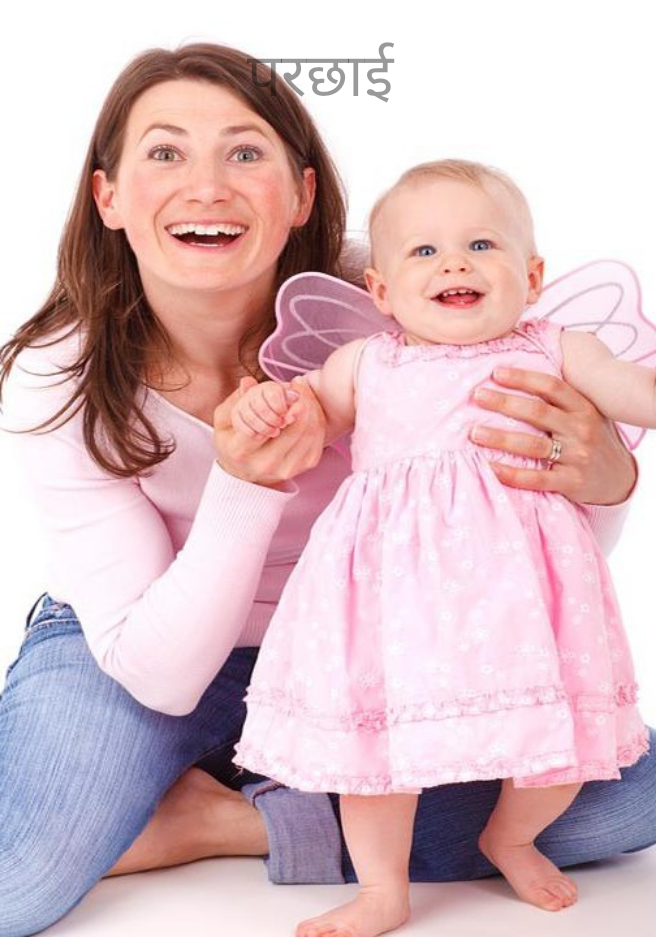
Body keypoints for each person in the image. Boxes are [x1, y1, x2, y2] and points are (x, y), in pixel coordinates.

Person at [0, 44, 652, 937]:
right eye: (165, 152)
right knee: (13, 883)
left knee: (625, 796)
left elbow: (522, 558)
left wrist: (610, 478)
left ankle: (218, 820)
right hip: (138, 652)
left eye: (245, 152)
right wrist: (245, 482)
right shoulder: (58, 372)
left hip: (376, 646)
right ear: (108, 197)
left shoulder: (418, 290)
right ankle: (285, 798)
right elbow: (162, 675)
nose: (206, 186)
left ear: (302, 193)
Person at [233, 159, 653, 937]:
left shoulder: (558, 347)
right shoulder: (367, 362)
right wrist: (271, 407)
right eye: (424, 251)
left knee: (565, 744)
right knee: (379, 757)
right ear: (382, 290)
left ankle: (510, 835)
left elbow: (634, 390)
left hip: (525, 605)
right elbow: (308, 414)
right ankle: (382, 888)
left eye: (481, 244)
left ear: (532, 276)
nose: (455, 263)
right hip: (394, 602)